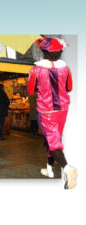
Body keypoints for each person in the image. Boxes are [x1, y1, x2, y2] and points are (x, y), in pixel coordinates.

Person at [27, 37, 77, 189]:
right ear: (60, 52)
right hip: (63, 109)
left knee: (53, 142)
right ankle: (49, 170)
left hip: (46, 109)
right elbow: (69, 88)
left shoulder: (35, 70)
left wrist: (41, 89)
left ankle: (68, 169)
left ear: (43, 52)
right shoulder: (65, 69)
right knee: (54, 140)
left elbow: (30, 90)